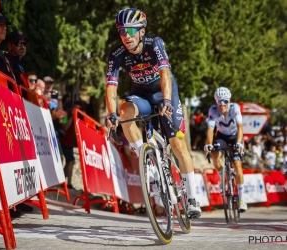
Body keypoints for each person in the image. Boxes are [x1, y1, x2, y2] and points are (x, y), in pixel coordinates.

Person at [104, 8, 201, 219]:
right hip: (141, 96)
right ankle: (144, 157)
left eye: (131, 30)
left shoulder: (154, 43)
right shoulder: (116, 55)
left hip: (164, 92)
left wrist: (167, 100)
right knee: (123, 111)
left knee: (177, 144)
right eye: (122, 31)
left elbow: (165, 72)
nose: (126, 36)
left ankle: (192, 197)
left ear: (141, 31)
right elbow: (111, 87)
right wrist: (111, 115)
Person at [204, 87, 247, 212]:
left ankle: (242, 200)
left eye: (224, 101)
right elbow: (210, 130)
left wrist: (239, 143)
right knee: (214, 154)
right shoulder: (213, 110)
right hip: (222, 136)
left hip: (235, 137)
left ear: (229, 101)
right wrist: (208, 144)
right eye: (219, 101)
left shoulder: (235, 108)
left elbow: (240, 127)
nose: (222, 104)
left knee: (237, 165)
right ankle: (223, 177)